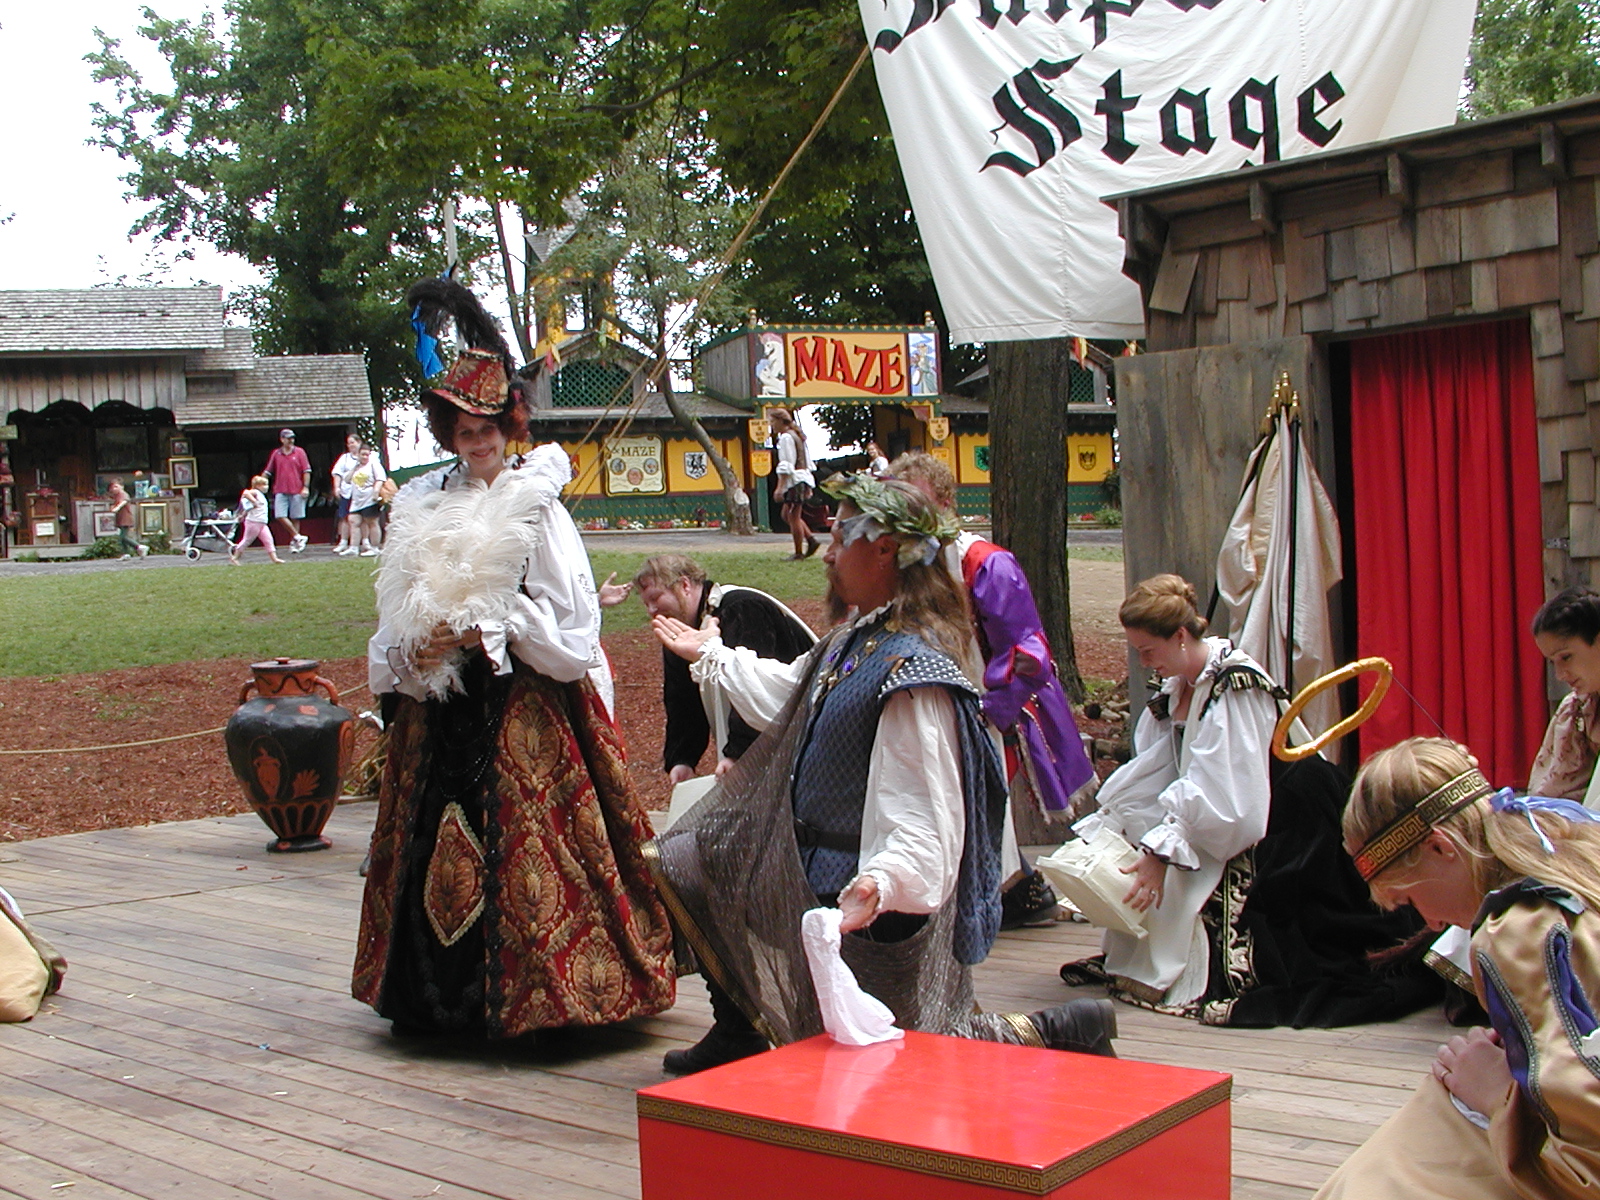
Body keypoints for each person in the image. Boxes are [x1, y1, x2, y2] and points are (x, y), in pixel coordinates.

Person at [648, 474, 1116, 1074]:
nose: (828, 552)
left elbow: (926, 814)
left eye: (842, 534)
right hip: (819, 883)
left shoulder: (912, 673)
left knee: (917, 1056)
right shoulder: (853, 641)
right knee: (695, 859)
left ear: (886, 549)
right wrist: (710, 655)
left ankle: (1061, 1029)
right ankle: (739, 1029)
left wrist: (883, 881)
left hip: (871, 903)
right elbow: (788, 694)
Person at [353, 277, 674, 1038]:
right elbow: (396, 609)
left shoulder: (538, 506)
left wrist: (498, 625)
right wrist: (417, 643)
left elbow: (574, 626)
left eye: (489, 427)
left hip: (525, 705)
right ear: (448, 431)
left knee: (540, 857)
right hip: (441, 706)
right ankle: (435, 1002)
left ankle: (550, 1000)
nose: (479, 441)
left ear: (510, 424)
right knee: (432, 846)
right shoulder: (424, 501)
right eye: (465, 429)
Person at [1060, 575, 1436, 1026]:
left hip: (1279, 817)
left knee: (1180, 868)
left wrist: (1164, 847)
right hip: (1221, 807)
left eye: (1148, 650)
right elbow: (1161, 767)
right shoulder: (1179, 686)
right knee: (1146, 845)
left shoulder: (1235, 686)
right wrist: (1122, 822)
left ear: (1180, 636)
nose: (1143, 662)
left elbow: (1228, 790)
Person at [1315, 737, 1600, 1199]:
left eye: (1410, 899)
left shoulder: (1520, 933)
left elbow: (1588, 1166)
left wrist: (1497, 1095)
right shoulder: (1569, 838)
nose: (1430, 922)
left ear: (1440, 847)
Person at [890, 451, 1095, 927]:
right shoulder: (902, 564)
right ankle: (1000, 894)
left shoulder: (986, 564)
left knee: (977, 803)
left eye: (918, 501)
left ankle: (1010, 896)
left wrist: (990, 713)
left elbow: (1027, 651)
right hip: (932, 699)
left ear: (945, 502)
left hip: (984, 702)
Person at [621, 555, 816, 782]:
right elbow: (682, 698)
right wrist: (682, 759)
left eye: (656, 598)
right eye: (646, 604)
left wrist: (739, 753)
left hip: (803, 732)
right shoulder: (681, 630)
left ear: (684, 585)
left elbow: (754, 685)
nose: (652, 609)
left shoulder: (742, 608)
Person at [1529, 586, 1600, 806]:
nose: (1560, 675)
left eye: (1566, 657)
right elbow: (1548, 792)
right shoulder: (1575, 710)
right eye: (1553, 662)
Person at [770, 407, 820, 560]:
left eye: (773, 421)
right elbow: (806, 462)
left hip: (796, 481)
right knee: (787, 514)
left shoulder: (786, 437)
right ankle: (811, 540)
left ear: (780, 421)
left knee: (793, 516)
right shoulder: (796, 435)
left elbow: (787, 465)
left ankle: (799, 552)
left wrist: (780, 488)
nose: (771, 425)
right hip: (802, 479)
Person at [263, 428, 312, 553]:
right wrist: (258, 482)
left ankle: (295, 543)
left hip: (297, 489)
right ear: (282, 439)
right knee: (280, 515)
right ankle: (298, 537)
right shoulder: (276, 453)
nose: (291, 441)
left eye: (292, 438)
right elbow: (268, 471)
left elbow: (306, 471)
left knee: (296, 517)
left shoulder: (300, 452)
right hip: (280, 489)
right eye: (288, 438)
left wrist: (305, 487)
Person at [341, 445, 387, 557]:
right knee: (353, 521)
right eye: (363, 454)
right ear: (358, 455)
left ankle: (375, 547)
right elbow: (346, 480)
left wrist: (376, 491)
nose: (365, 457)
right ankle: (354, 547)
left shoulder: (374, 465)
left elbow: (380, 479)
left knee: (372, 522)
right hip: (357, 500)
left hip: (370, 499)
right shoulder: (356, 467)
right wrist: (354, 469)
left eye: (367, 454)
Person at [229, 475, 283, 564]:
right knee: (247, 540)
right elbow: (245, 493)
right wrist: (254, 501)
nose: (266, 487)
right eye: (264, 485)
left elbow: (249, 508)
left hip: (262, 523)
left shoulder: (262, 496)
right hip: (254, 521)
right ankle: (235, 557)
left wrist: (243, 514)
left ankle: (274, 558)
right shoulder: (255, 492)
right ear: (257, 486)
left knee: (268, 540)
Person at [331, 433, 362, 554]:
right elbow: (337, 473)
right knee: (344, 517)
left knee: (364, 519)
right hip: (347, 492)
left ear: (359, 442)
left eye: (352, 442)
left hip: (362, 493)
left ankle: (365, 542)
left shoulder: (368, 457)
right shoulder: (344, 458)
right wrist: (337, 487)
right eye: (349, 443)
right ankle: (343, 542)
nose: (350, 445)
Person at [105, 478, 147, 560]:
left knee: (123, 537)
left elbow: (124, 502)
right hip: (120, 518)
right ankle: (126, 554)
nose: (114, 489)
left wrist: (117, 508)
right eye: (112, 487)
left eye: (116, 486)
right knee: (122, 538)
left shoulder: (123, 494)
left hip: (125, 518)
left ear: (122, 486)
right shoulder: (116, 496)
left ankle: (139, 546)